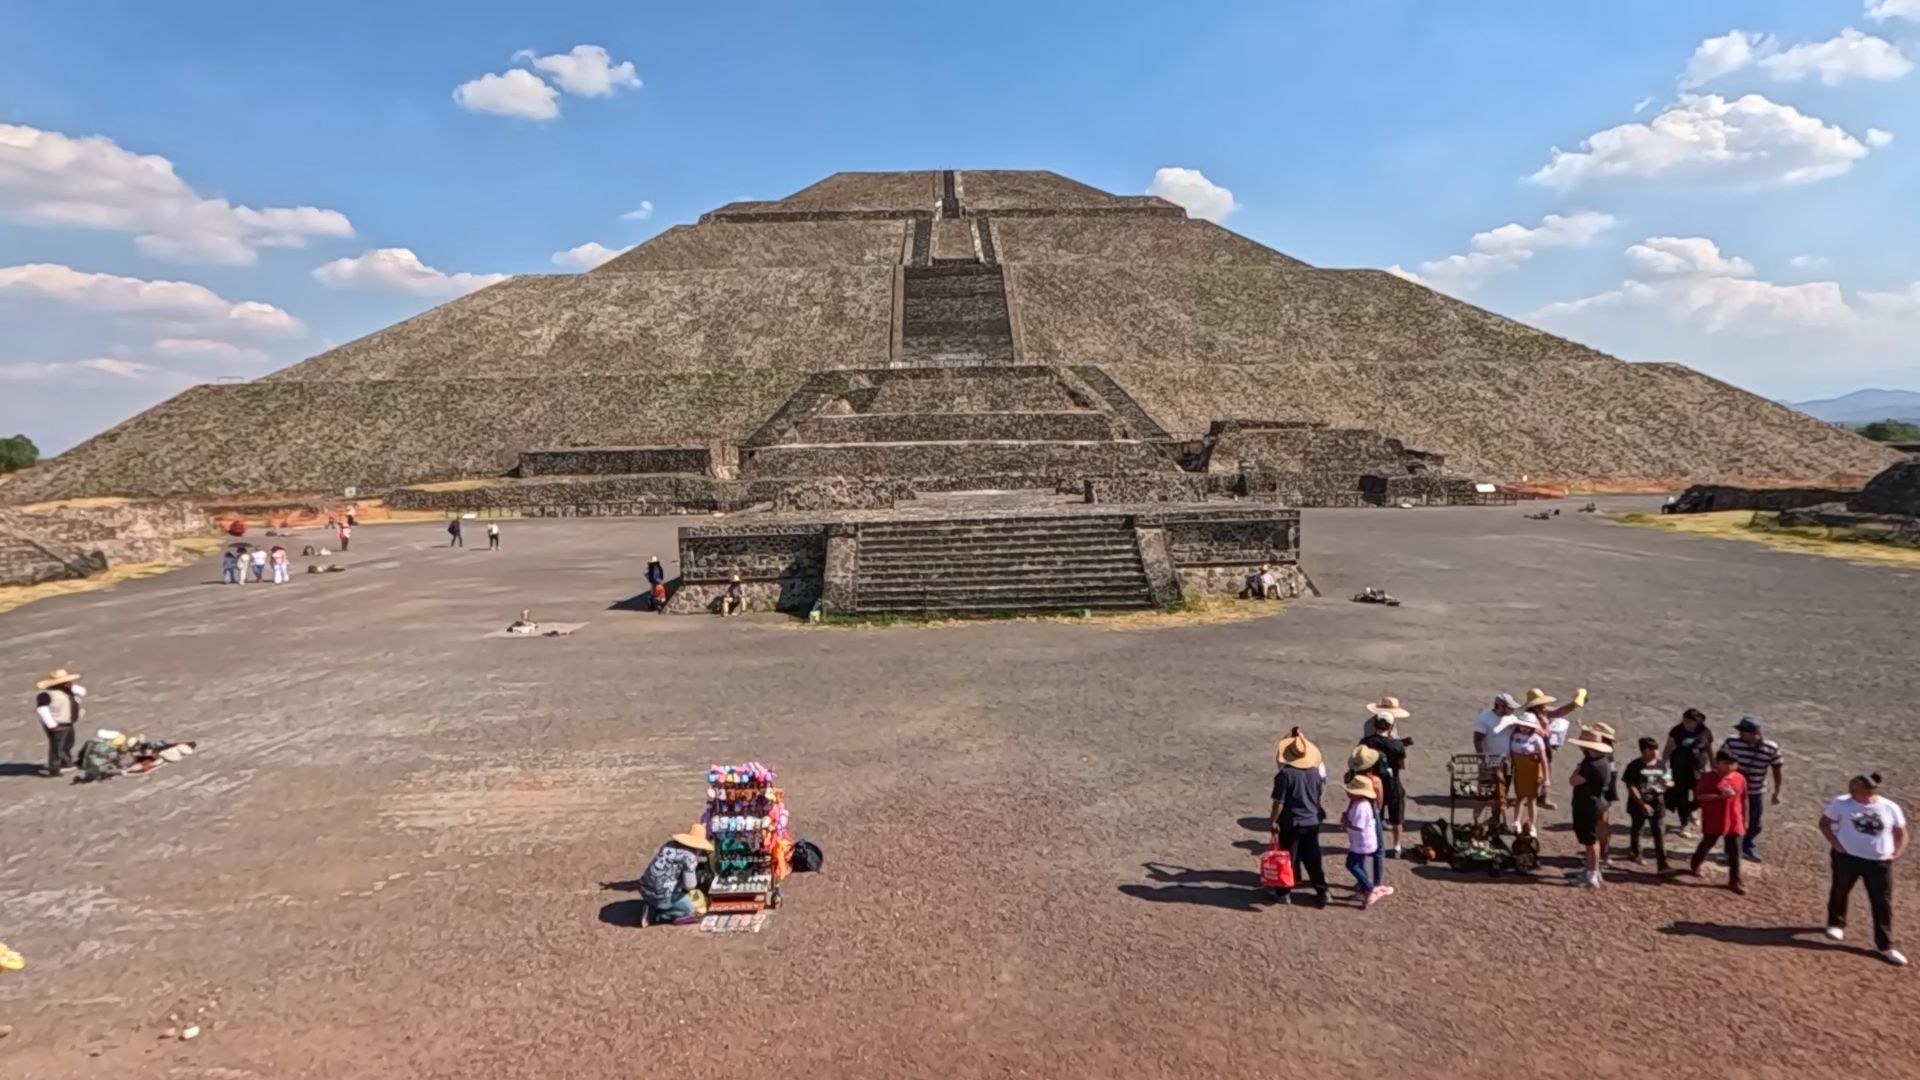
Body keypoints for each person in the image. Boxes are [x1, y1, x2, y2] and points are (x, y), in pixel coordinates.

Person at [1821, 773, 1908, 965]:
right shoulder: (1841, 803)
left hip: (1878, 862)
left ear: (1869, 790)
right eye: (1851, 785)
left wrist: (1896, 853)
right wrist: (1836, 844)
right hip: (1846, 858)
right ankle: (1836, 923)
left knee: (1881, 901)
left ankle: (1885, 945)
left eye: (1856, 787)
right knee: (1840, 889)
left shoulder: (1889, 807)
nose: (1851, 790)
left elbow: (1900, 832)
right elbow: (1824, 823)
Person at [1269, 728, 1330, 907]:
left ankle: (1283, 892)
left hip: (1291, 822)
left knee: (1287, 857)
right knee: (1313, 858)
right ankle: (1323, 891)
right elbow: (1317, 796)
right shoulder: (1315, 773)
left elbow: (1279, 802)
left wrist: (1273, 821)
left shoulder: (1285, 775)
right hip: (1311, 820)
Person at [1687, 749, 1748, 894]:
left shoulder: (1739, 778)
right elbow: (1700, 797)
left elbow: (1744, 800)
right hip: (1715, 818)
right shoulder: (1708, 778)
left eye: (1732, 764)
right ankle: (1696, 862)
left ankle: (1735, 880)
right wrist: (1719, 797)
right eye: (1725, 763)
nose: (1729, 767)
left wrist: (1745, 820)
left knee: (1735, 850)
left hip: (1734, 820)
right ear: (1718, 763)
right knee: (1708, 842)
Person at [1724, 716, 1783, 863]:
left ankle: (1747, 844)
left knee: (1755, 823)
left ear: (1754, 733)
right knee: (1732, 820)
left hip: (1756, 790)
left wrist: (1777, 791)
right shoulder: (1731, 743)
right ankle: (1730, 849)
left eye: (1743, 731)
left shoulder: (1771, 748)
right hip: (1734, 791)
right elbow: (1722, 763)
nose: (1740, 734)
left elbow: (1777, 770)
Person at [1566, 727, 1618, 888]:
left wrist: (1578, 769)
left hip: (1588, 804)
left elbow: (1573, 780)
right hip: (1598, 802)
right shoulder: (1605, 760)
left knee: (1590, 840)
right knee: (1592, 839)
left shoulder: (1590, 764)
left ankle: (1592, 874)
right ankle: (1592, 870)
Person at [1519, 687, 1586, 810]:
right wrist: (1547, 732)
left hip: (1545, 746)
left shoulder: (1542, 711)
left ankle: (1542, 797)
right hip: (1535, 749)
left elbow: (1558, 712)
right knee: (1537, 774)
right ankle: (1532, 797)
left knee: (1546, 772)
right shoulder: (1530, 716)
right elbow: (1533, 730)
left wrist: (1573, 705)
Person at [640, 822, 712, 925]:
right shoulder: (689, 858)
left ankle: (652, 905)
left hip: (644, 888)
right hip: (662, 896)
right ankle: (656, 914)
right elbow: (690, 885)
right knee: (689, 910)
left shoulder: (669, 845)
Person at [1360, 711, 1410, 856]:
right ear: (1391, 727)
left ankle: (1376, 845)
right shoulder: (1397, 745)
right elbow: (1401, 766)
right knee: (1396, 818)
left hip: (1373, 784)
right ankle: (1397, 847)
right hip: (1393, 784)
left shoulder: (1366, 742)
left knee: (1375, 817)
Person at [1622, 737, 1672, 872]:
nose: (1656, 752)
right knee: (1637, 829)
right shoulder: (1634, 766)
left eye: (1657, 749)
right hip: (1638, 805)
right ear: (1644, 751)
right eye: (1652, 749)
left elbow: (1669, 780)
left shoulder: (1661, 765)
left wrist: (1668, 784)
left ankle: (1662, 864)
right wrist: (1642, 804)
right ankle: (1636, 853)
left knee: (1659, 833)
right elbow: (1630, 786)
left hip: (1657, 804)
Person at [1663, 708, 1714, 838]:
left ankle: (1691, 810)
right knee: (1682, 797)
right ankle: (1684, 824)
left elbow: (1709, 748)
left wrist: (1713, 764)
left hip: (1698, 769)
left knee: (1701, 795)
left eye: (1692, 722)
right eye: (1687, 721)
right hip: (1679, 769)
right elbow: (1668, 747)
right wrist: (1662, 764)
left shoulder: (1704, 731)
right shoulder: (1677, 731)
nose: (1689, 724)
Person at [1343, 776, 1393, 908]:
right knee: (1359, 865)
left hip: (1362, 843)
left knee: (1351, 864)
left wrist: (1346, 822)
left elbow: (1359, 826)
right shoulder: (1360, 803)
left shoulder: (1362, 806)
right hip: (1361, 842)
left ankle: (1370, 888)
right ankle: (1365, 890)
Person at [1473, 692, 1520, 828]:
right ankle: (1477, 821)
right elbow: (1477, 739)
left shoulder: (1512, 719)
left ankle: (1495, 819)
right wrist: (1483, 758)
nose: (1512, 710)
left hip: (1506, 762)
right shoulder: (1484, 718)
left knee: (1502, 793)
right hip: (1489, 762)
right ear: (1500, 706)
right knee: (1484, 793)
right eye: (1510, 707)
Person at [1501, 714, 1550, 836]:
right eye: (1523, 726)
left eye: (1528, 726)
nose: (1525, 728)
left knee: (1531, 798)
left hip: (1532, 771)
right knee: (1519, 796)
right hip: (1519, 770)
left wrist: (1546, 777)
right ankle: (1516, 821)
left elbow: (1543, 759)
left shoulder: (1537, 739)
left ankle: (1532, 824)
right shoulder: (1514, 736)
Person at [1346, 745, 1387, 887]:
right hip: (1372, 811)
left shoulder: (1351, 777)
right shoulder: (1375, 780)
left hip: (1354, 809)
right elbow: (1379, 802)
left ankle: (1361, 880)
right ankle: (1376, 883)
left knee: (1359, 848)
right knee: (1379, 850)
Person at [33, 668, 85, 778]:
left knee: (68, 743)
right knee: (56, 746)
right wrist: (51, 724)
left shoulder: (68, 691)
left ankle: (66, 761)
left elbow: (82, 692)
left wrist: (72, 687)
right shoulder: (46, 695)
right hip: (57, 724)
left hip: (68, 722)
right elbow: (42, 709)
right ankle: (54, 768)